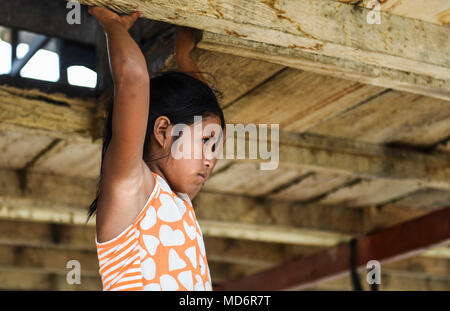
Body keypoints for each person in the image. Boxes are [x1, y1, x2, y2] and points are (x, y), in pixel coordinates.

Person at [86, 6, 226, 291]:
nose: (211, 160)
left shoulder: (178, 199)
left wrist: (184, 58)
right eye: (205, 144)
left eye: (214, 148)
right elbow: (133, 81)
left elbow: (200, 115)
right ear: (163, 131)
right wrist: (113, 25)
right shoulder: (130, 189)